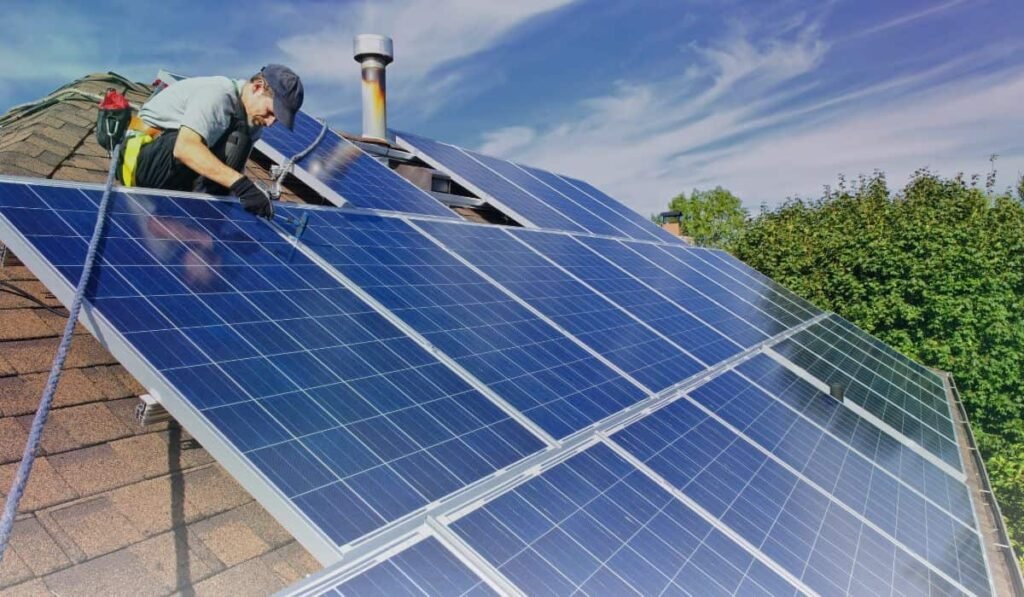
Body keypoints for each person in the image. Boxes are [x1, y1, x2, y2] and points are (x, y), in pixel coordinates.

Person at [118, 64, 304, 219]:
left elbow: (233, 171)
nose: (271, 122)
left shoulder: (253, 125)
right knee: (217, 145)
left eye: (277, 119)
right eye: (271, 112)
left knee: (239, 142)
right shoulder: (218, 94)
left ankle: (201, 220)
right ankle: (184, 215)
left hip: (172, 170)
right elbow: (185, 148)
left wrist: (245, 208)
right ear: (257, 87)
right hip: (141, 160)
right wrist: (242, 185)